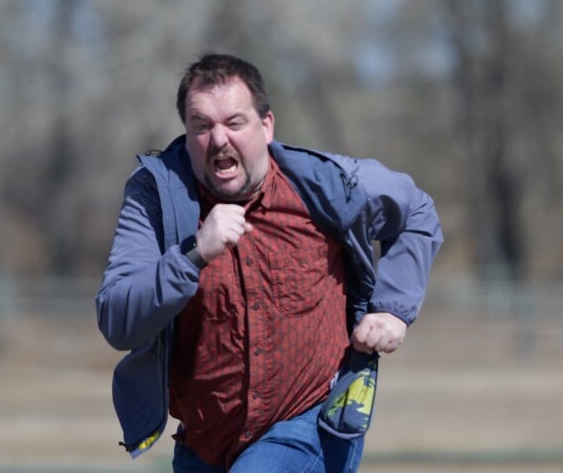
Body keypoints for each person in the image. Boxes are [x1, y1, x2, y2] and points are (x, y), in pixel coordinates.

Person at [96, 53, 443, 472]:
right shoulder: (157, 200)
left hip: (309, 425)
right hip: (202, 444)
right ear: (186, 135)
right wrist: (192, 256)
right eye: (202, 126)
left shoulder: (327, 185)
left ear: (267, 126)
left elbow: (417, 211)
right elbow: (117, 320)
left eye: (234, 122)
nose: (219, 139)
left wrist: (392, 308)